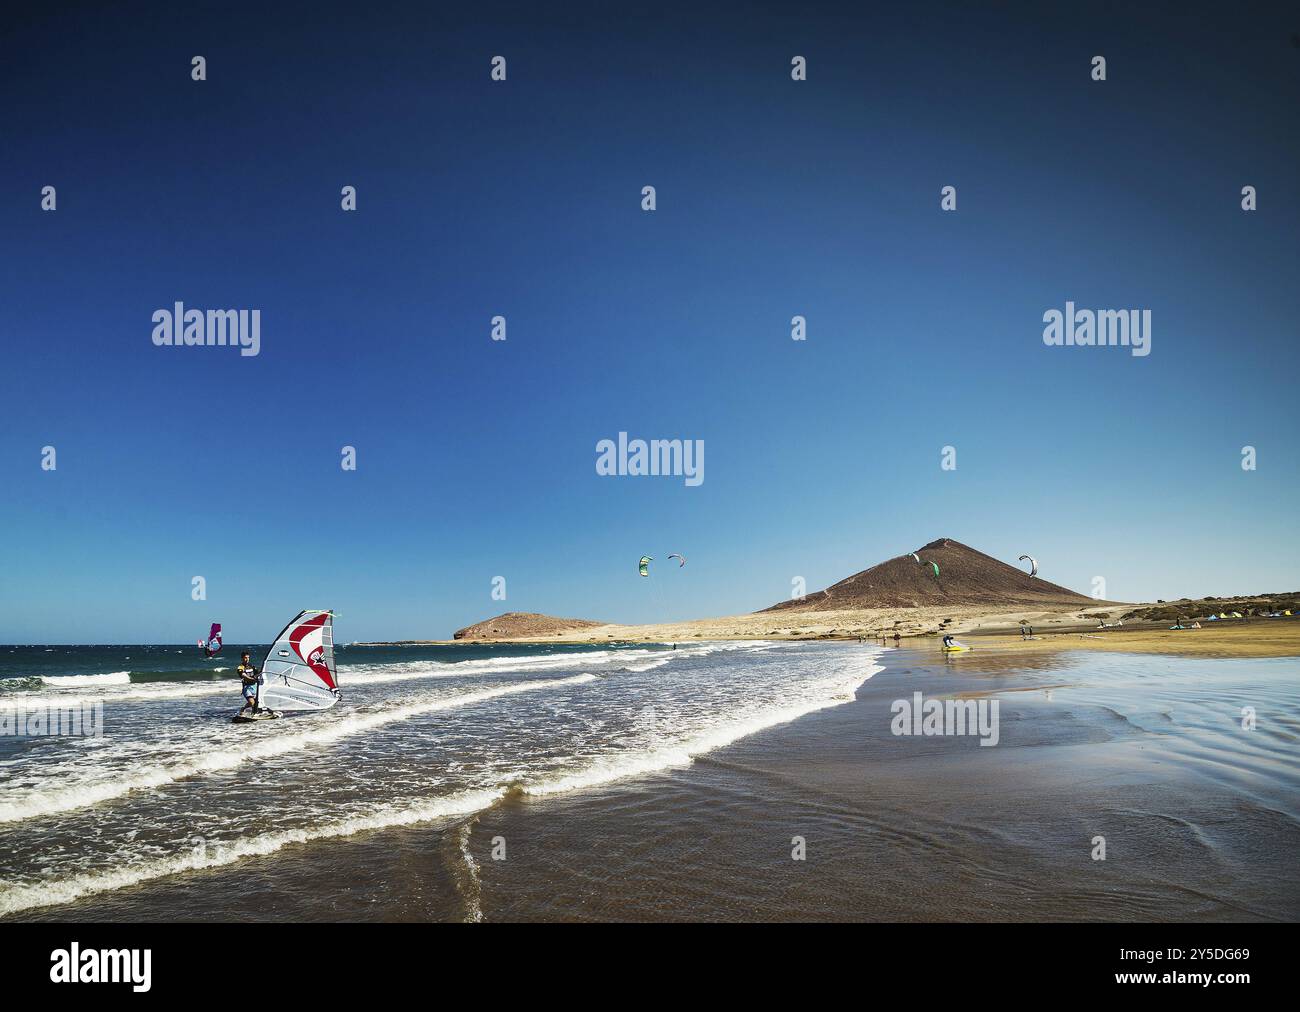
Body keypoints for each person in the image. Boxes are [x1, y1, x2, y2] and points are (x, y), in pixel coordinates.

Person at [237, 651, 261, 715]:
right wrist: (251, 678)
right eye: (245, 658)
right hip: (247, 688)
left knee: (256, 703)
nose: (247, 659)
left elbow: (258, 673)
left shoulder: (251, 666)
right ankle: (243, 708)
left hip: (255, 686)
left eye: (248, 657)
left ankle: (254, 714)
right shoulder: (240, 667)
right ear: (242, 658)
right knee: (251, 702)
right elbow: (243, 675)